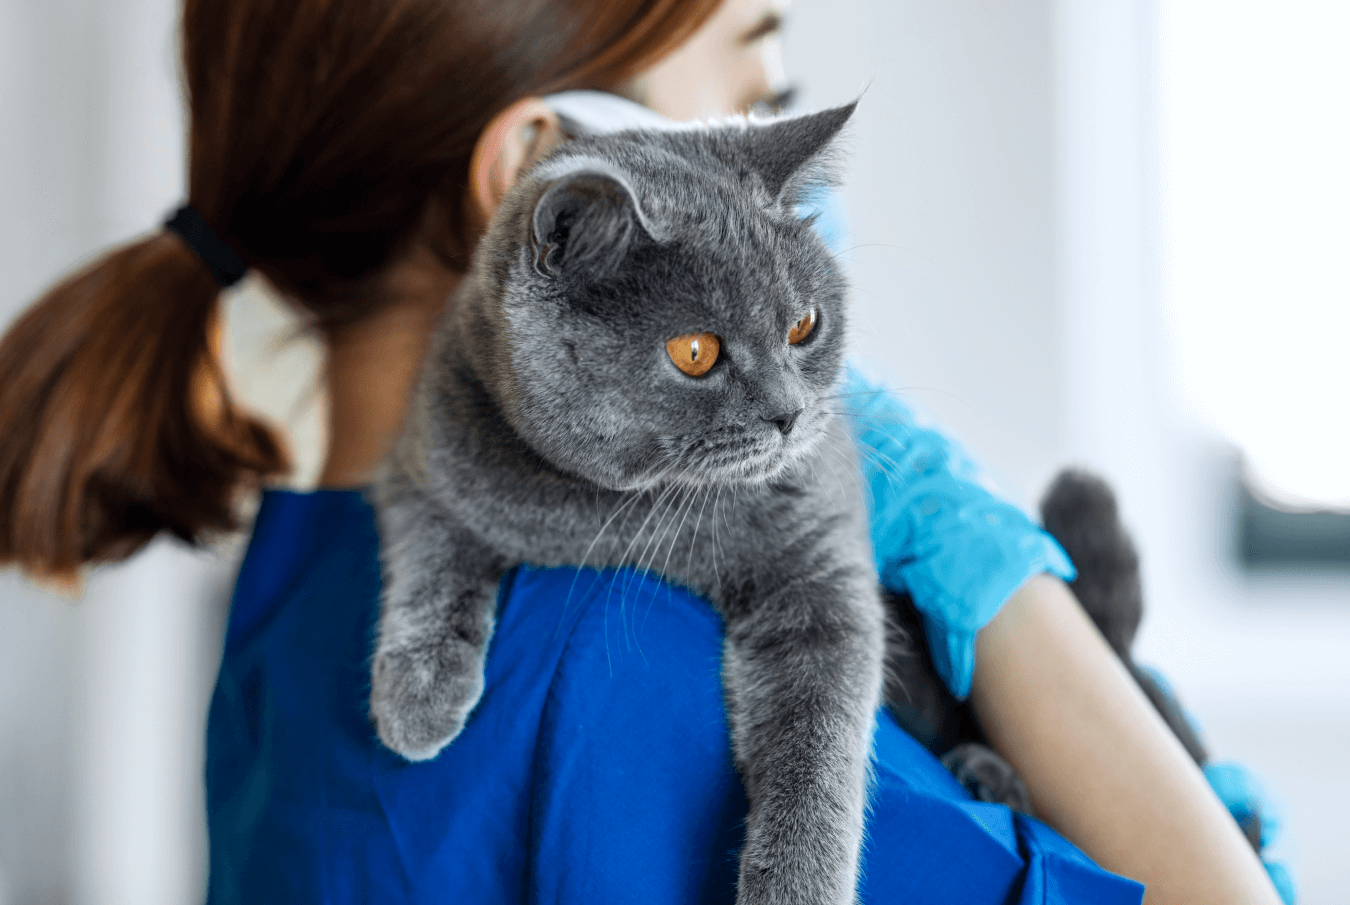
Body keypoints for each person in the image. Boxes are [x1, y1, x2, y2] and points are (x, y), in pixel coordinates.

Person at [0, 0, 1284, 902]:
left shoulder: (279, 613)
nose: (775, 170)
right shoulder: (622, 661)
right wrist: (1002, 577)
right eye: (751, 101)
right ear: (539, 186)